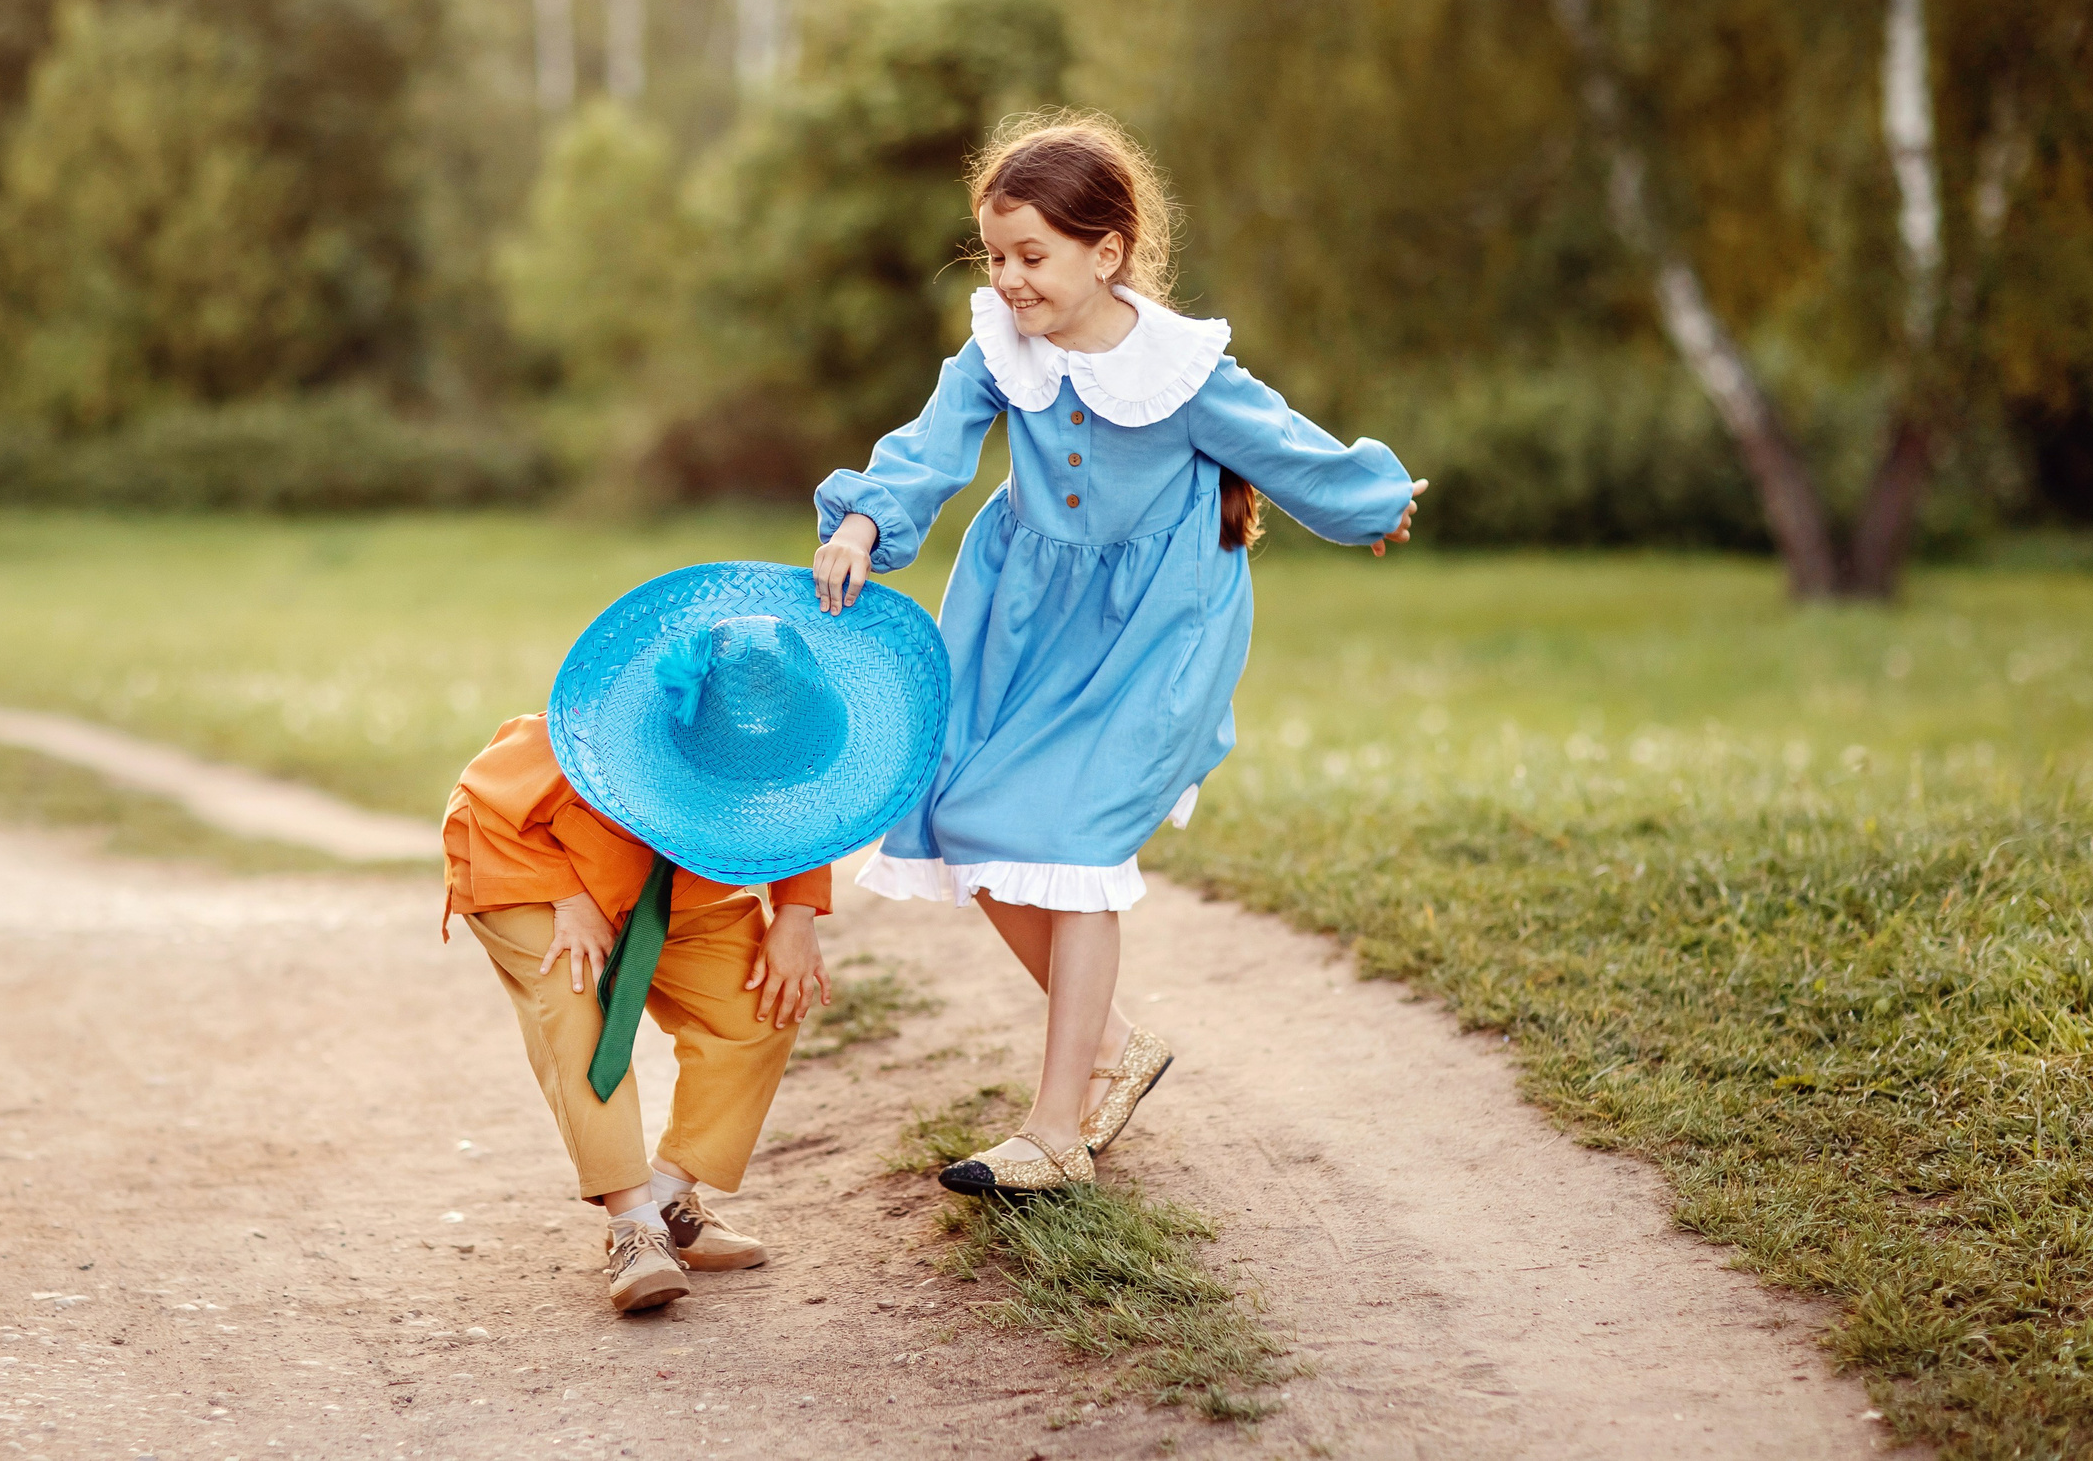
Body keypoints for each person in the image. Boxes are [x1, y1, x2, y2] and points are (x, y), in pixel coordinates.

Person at [810, 111, 1425, 1198]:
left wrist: (1369, 501)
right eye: (995, 255)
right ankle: (1114, 1048)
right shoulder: (1000, 352)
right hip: (1022, 626)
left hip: (1155, 636)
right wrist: (863, 524)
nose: (1008, 279)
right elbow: (926, 448)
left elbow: (1287, 446)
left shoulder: (1183, 372)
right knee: (958, 812)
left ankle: (1054, 1129)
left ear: (1107, 250)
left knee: (1073, 842)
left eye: (1031, 255)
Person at [442, 561, 947, 1309]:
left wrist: (796, 917)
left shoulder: (799, 729)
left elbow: (809, 819)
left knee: (761, 1003)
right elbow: (475, 805)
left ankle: (671, 1201)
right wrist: (567, 897)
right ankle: (631, 1230)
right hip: (539, 876)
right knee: (577, 1006)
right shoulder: (581, 731)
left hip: (676, 887)